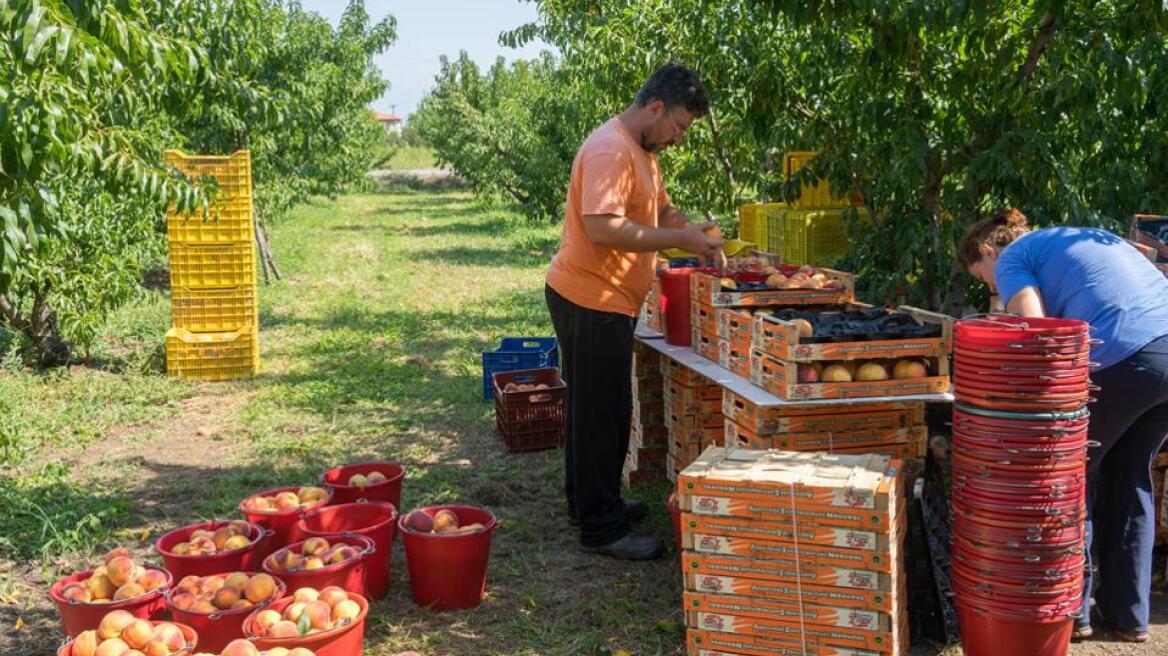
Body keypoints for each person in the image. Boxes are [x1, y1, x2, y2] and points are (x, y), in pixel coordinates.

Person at [958, 207, 1168, 643]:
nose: (993, 289)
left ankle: (1073, 612)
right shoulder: (1074, 236)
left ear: (986, 251)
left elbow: (1039, 335)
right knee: (1130, 476)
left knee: (1069, 475)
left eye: (984, 279)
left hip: (1124, 356)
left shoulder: (1014, 256)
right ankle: (1128, 617)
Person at [544, 63, 724, 560]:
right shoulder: (610, 149)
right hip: (589, 297)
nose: (678, 138)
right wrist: (676, 241)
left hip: (602, 298)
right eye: (679, 127)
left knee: (592, 408)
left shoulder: (643, 151)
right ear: (655, 108)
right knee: (604, 412)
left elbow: (659, 211)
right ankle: (602, 528)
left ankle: (588, 504)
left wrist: (693, 232)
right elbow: (603, 227)